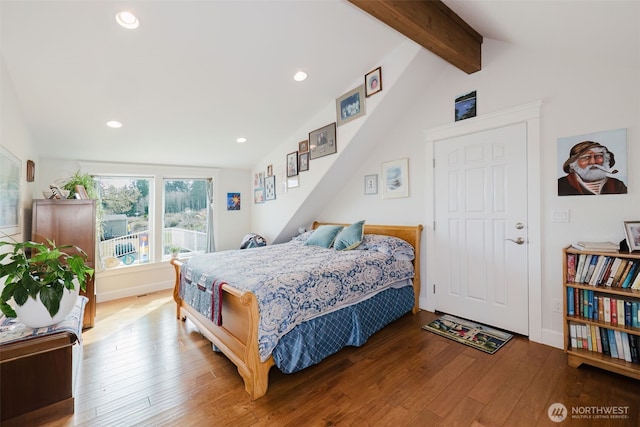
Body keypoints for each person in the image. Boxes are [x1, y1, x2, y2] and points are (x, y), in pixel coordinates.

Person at [558, 140, 627, 195]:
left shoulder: (617, 185)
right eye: (586, 157)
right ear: (573, 164)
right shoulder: (561, 185)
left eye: (598, 156)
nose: (593, 162)